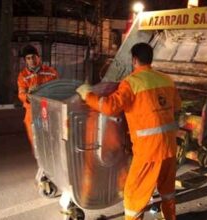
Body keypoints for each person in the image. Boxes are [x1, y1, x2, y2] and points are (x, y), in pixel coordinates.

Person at [76, 43, 181, 220]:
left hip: (149, 151)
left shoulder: (131, 83)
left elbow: (109, 107)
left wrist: (88, 95)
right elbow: (176, 105)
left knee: (133, 195)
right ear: (150, 58)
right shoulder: (166, 80)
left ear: (134, 60)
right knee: (167, 189)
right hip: (170, 147)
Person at [17, 44, 59, 149]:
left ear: (38, 57)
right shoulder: (23, 75)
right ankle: (40, 160)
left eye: (33, 57)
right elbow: (21, 94)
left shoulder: (51, 72)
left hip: (48, 109)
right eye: (28, 58)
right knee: (36, 138)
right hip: (33, 111)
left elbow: (58, 88)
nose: (31, 60)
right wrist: (28, 95)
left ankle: (51, 159)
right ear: (25, 60)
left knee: (50, 136)